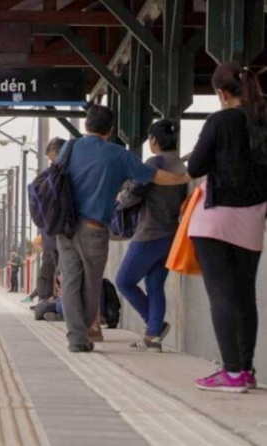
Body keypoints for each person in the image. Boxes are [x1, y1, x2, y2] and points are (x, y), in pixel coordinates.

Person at [57, 105, 190, 353]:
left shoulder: (69, 147)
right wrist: (186, 177)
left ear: (86, 125)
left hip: (64, 227)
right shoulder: (119, 154)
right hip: (96, 228)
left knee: (71, 281)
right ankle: (138, 331)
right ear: (110, 130)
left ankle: (77, 338)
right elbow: (153, 177)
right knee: (92, 283)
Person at [186, 62, 267, 393]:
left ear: (221, 92)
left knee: (221, 294)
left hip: (216, 218)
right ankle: (245, 370)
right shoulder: (263, 119)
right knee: (245, 296)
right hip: (253, 218)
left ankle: (231, 372)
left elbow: (195, 167)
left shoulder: (220, 120)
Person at [115, 120, 187, 353]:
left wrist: (120, 198)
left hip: (149, 232)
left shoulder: (154, 163)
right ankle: (153, 337)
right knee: (155, 284)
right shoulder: (182, 166)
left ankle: (156, 325)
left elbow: (133, 195)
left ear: (154, 141)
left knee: (124, 281)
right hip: (172, 235)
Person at [22, 137, 65, 304]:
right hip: (57, 235)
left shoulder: (53, 174)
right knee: (56, 275)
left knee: (61, 275)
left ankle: (55, 306)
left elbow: (36, 195)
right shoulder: (56, 174)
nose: (51, 161)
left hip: (57, 234)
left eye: (52, 157)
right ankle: (50, 305)